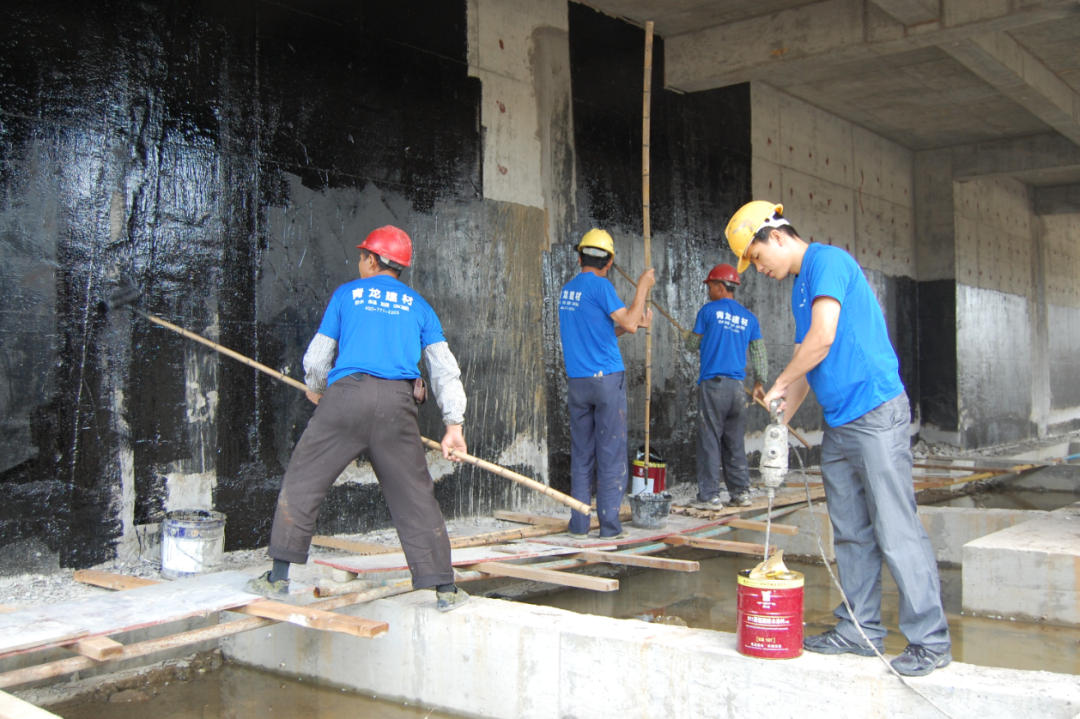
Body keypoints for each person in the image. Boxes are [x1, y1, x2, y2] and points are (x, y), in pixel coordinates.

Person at [725, 201, 951, 677]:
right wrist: (786, 410)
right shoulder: (799, 291)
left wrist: (780, 382)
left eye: (757, 257)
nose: (758, 269)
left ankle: (930, 641)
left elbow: (823, 339)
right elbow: (813, 360)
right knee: (850, 530)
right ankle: (858, 629)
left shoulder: (827, 261)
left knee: (895, 527)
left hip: (875, 413)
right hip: (841, 424)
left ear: (777, 236)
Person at [246, 225, 470, 613]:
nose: (360, 262)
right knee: (415, 495)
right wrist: (454, 426)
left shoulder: (346, 294)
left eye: (362, 256)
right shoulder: (419, 306)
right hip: (397, 408)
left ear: (371, 260)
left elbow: (317, 359)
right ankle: (444, 589)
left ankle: (278, 577)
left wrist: (315, 388)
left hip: (345, 398)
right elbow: (443, 369)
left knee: (304, 478)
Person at [558, 229, 654, 540]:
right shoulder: (601, 286)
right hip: (607, 380)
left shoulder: (567, 291)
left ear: (579, 257)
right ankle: (610, 528)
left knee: (582, 452)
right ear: (609, 261)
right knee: (610, 453)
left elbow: (608, 332)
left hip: (578, 382)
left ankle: (579, 525)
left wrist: (632, 324)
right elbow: (627, 321)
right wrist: (642, 287)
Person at [683, 263, 767, 510]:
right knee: (734, 442)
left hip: (714, 387)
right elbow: (760, 354)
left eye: (710, 286)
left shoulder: (708, 312)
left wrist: (687, 336)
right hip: (737, 391)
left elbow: (691, 346)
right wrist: (759, 383)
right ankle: (740, 492)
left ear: (721, 287)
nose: (708, 290)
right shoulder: (749, 318)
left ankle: (709, 496)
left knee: (709, 440)